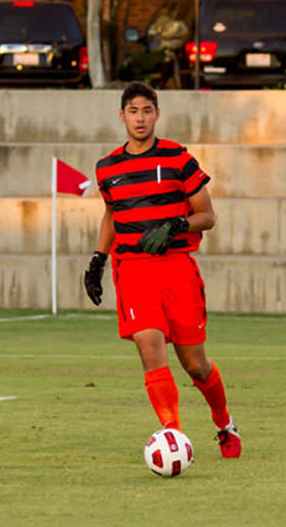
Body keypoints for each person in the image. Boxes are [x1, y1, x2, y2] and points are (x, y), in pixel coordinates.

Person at [84, 82, 241, 458]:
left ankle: (224, 423)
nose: (140, 118)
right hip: (133, 270)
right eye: (133, 111)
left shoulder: (178, 160)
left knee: (196, 364)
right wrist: (97, 259)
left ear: (157, 114)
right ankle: (173, 437)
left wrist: (176, 225)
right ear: (121, 116)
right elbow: (111, 215)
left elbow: (208, 215)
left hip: (176, 270)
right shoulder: (107, 168)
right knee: (149, 345)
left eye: (147, 110)